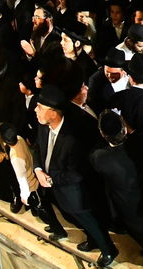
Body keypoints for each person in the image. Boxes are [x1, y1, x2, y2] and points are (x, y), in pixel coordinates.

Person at [33, 84, 118, 266]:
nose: (35, 110)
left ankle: (108, 250)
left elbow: (77, 172)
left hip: (75, 193)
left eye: (40, 107)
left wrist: (52, 180)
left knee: (90, 221)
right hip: (54, 188)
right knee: (76, 220)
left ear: (54, 113)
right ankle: (93, 241)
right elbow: (37, 148)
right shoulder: (43, 126)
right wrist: (38, 169)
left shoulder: (72, 140)